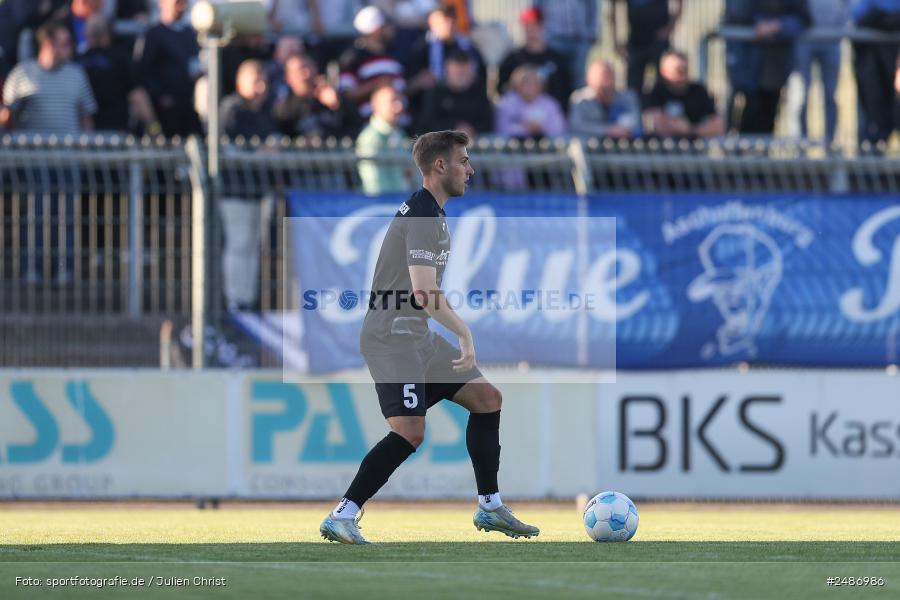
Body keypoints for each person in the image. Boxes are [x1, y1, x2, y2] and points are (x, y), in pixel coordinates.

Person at [320, 129, 540, 544]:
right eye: (464, 161)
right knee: (409, 431)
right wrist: (463, 332)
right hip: (391, 336)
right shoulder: (422, 214)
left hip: (414, 333)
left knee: (487, 399)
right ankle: (342, 514)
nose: (470, 170)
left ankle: (490, 506)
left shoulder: (432, 213)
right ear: (441, 166)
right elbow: (423, 291)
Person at [219, 60, 278, 312]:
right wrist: (261, 150)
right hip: (236, 191)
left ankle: (247, 298)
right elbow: (230, 147)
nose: (261, 86)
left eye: (263, 80)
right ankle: (236, 300)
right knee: (239, 243)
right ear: (239, 83)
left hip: (258, 191)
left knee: (253, 246)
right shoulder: (232, 109)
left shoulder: (262, 113)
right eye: (255, 80)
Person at [725, 0, 811, 135]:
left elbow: (803, 19)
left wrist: (777, 26)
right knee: (742, 119)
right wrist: (760, 24)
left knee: (767, 121)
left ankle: (762, 154)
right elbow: (736, 13)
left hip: (774, 68)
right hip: (744, 65)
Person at [2, 20, 97, 133]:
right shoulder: (21, 74)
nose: (71, 48)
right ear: (49, 44)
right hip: (31, 148)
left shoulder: (77, 74)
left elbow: (86, 117)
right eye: (65, 43)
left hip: (70, 149)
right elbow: (8, 117)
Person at [76, 14, 158, 133]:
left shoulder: (76, 62)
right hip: (116, 132)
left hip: (83, 135)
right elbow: (137, 96)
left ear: (86, 34)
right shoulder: (122, 60)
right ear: (109, 33)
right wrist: (154, 127)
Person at [785, 0, 851, 142]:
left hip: (832, 39)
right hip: (803, 38)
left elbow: (849, 6)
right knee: (800, 93)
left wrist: (840, 27)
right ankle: (800, 144)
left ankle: (830, 143)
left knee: (831, 93)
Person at [134, 0, 201, 137]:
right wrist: (161, 96)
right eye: (177, 2)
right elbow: (143, 71)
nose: (181, 6)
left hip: (185, 105)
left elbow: (193, 66)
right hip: (162, 112)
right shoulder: (153, 35)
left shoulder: (189, 34)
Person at [404, 5, 486, 115]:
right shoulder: (421, 49)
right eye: (443, 21)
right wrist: (420, 81)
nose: (448, 25)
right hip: (431, 105)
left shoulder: (468, 48)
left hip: (465, 103)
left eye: (451, 21)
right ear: (431, 22)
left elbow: (481, 75)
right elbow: (408, 84)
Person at [498, 6, 573, 113]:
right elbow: (503, 90)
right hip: (521, 118)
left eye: (535, 25)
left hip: (550, 117)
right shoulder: (512, 59)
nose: (531, 30)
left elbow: (566, 89)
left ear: (543, 26)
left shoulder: (557, 59)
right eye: (527, 26)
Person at [339, 6, 406, 123]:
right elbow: (346, 94)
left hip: (402, 126)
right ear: (376, 30)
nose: (392, 30)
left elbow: (402, 88)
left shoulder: (394, 55)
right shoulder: (352, 57)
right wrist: (377, 84)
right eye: (387, 26)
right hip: (370, 126)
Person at [642, 49, 724, 139]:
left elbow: (718, 126)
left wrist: (691, 130)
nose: (683, 75)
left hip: (696, 150)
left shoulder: (699, 91)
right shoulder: (657, 92)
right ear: (664, 72)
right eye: (678, 71)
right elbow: (657, 125)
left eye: (685, 70)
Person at [852, 0, 900, 143]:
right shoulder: (868, 9)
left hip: (891, 63)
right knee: (874, 108)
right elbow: (857, 15)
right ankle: (873, 146)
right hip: (872, 63)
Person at [609, 0, 683, 93]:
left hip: (659, 42)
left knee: (662, 86)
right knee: (633, 88)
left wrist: (669, 28)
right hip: (636, 42)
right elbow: (612, 8)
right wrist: (616, 40)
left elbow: (680, 3)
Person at [273, 53, 353, 138]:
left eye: (309, 67)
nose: (307, 74)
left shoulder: (332, 98)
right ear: (288, 78)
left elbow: (355, 125)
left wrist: (339, 104)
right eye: (300, 70)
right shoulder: (284, 109)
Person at [415, 49, 492, 136]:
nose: (461, 74)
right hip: (441, 146)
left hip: (475, 146)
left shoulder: (479, 94)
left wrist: (471, 130)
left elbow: (487, 124)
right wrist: (453, 129)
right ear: (447, 69)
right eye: (458, 71)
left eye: (464, 72)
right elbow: (426, 125)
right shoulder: (435, 94)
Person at [533, 0, 600, 88]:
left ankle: (577, 102)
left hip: (580, 40)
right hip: (553, 41)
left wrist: (591, 33)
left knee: (579, 80)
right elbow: (536, 11)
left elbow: (593, 8)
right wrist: (540, 35)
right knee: (556, 78)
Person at [357, 84, 410, 195]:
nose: (399, 107)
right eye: (392, 101)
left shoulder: (401, 134)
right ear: (375, 106)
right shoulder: (370, 138)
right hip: (383, 207)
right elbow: (374, 185)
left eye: (400, 101)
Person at [569, 58, 641, 138]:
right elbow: (576, 126)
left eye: (611, 75)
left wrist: (624, 129)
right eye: (604, 75)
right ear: (589, 79)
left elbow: (637, 124)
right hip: (590, 147)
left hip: (627, 146)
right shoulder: (580, 99)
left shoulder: (628, 97)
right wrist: (608, 130)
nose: (608, 81)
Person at [495, 65, 567, 140]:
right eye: (526, 82)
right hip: (511, 149)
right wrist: (525, 128)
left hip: (546, 149)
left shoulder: (550, 103)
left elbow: (559, 129)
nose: (530, 87)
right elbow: (502, 129)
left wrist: (540, 128)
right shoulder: (507, 103)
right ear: (516, 84)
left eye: (534, 82)